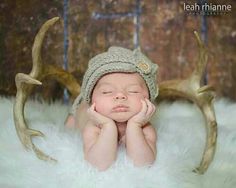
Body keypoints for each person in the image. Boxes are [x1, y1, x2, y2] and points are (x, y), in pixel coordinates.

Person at [65, 46, 158, 171]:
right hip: (80, 112)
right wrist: (107, 126)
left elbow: (143, 164)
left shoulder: (145, 128)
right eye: (106, 91)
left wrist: (135, 125)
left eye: (133, 91)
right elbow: (99, 165)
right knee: (69, 124)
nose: (120, 96)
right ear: (92, 100)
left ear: (148, 99)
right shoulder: (92, 127)